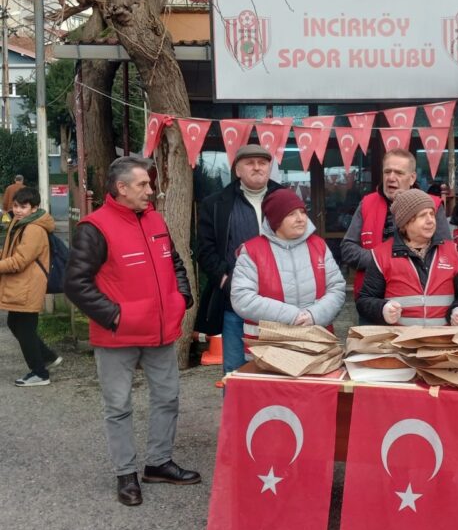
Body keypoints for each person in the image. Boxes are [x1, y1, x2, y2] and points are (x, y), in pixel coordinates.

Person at [64, 156, 198, 507]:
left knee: (167, 397)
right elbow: (76, 284)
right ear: (121, 188)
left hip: (160, 332)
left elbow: (176, 263)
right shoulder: (95, 228)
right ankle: (126, 474)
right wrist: (116, 317)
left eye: (150, 185)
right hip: (118, 336)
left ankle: (158, 463)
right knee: (118, 406)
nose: (150, 192)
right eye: (142, 185)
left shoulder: (155, 220)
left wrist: (180, 298)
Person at [197, 144, 285, 374]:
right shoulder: (216, 204)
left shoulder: (286, 199)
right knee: (236, 371)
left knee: (280, 368)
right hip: (235, 302)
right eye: (250, 163)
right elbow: (205, 250)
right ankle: (237, 412)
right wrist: (225, 281)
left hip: (280, 303)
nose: (257, 168)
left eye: (262, 163)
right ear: (237, 170)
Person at [230, 188, 346, 347]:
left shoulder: (319, 245)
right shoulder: (252, 251)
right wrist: (292, 316)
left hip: (317, 343)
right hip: (268, 348)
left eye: (302, 212)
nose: (300, 218)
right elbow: (242, 298)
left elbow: (337, 288)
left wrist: (314, 315)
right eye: (291, 214)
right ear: (275, 220)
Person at [341, 149, 451, 306]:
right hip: (372, 300)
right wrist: (381, 264)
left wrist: (400, 265)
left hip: (417, 303)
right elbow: (347, 248)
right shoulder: (367, 203)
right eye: (387, 172)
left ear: (412, 178)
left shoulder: (433, 205)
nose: (391, 178)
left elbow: (444, 253)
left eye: (398, 173)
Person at [356, 188, 458, 327]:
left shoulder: (451, 251)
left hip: (441, 343)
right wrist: (382, 309)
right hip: (400, 344)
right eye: (422, 215)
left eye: (432, 214)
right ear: (405, 223)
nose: (430, 221)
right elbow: (364, 301)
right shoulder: (381, 255)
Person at [0, 187, 62, 386]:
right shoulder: (20, 224)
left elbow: (19, 261)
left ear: (35, 208)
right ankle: (47, 357)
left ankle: (39, 373)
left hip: (28, 285)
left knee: (25, 328)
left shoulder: (34, 229)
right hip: (21, 284)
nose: (18, 210)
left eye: (23, 207)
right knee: (15, 324)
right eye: (16, 206)